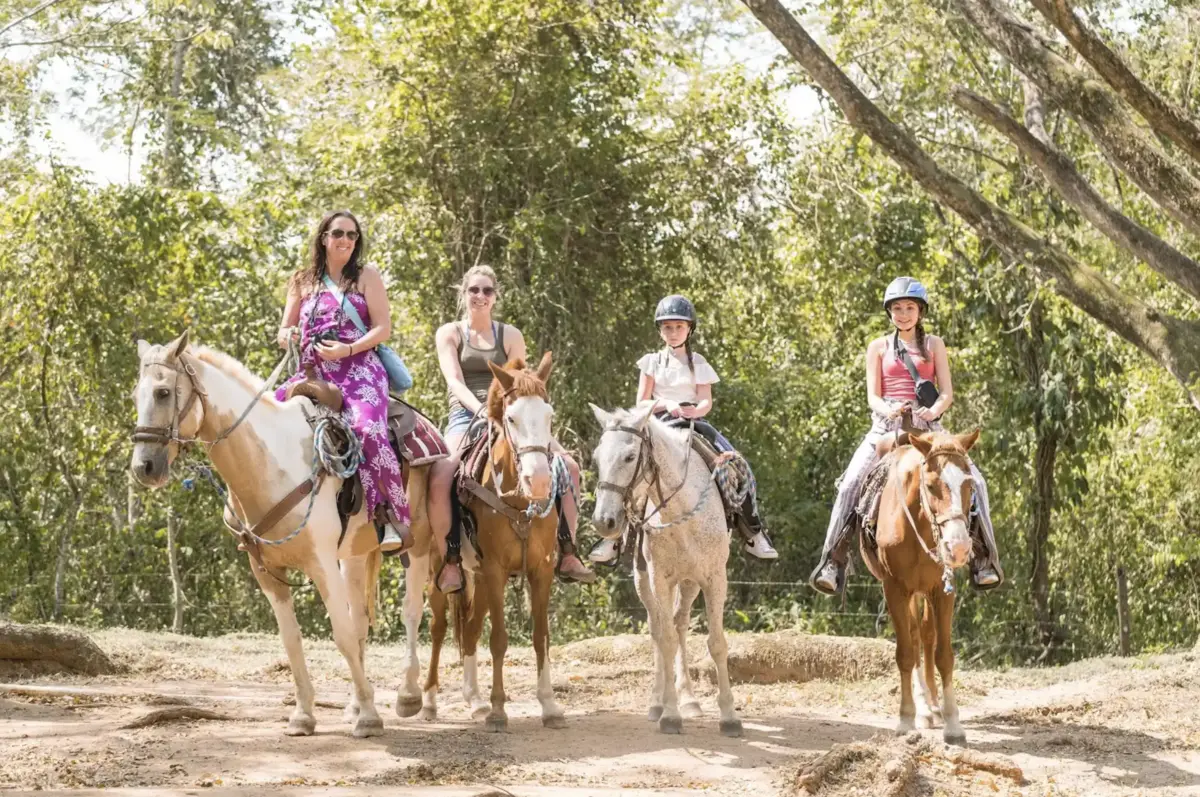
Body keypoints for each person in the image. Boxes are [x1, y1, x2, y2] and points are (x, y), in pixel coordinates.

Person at [809, 276, 1003, 595]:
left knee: (976, 482)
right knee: (849, 485)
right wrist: (889, 409)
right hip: (886, 428)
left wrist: (932, 411)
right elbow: (873, 395)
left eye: (909, 307)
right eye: (897, 308)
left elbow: (947, 393)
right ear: (889, 312)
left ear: (920, 311)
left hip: (929, 429)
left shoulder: (934, 345)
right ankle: (832, 560)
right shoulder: (878, 347)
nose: (903, 314)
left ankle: (984, 559)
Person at [427, 265, 595, 592]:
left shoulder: (511, 335)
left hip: (513, 417)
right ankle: (450, 559)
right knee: (441, 476)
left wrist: (506, 417)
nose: (480, 296)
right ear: (464, 294)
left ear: (495, 297)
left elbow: (522, 384)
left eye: (487, 291)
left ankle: (567, 550)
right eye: (474, 290)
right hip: (467, 416)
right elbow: (454, 382)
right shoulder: (450, 333)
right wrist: (482, 411)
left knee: (570, 468)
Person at [589, 294, 778, 564]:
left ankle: (753, 533)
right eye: (667, 327)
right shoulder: (651, 361)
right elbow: (642, 401)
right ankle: (612, 540)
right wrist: (666, 403)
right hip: (656, 424)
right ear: (660, 330)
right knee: (628, 469)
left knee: (733, 464)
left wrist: (694, 410)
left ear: (689, 329)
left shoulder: (698, 362)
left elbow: (706, 400)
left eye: (679, 326)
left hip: (692, 423)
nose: (673, 332)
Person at [275, 210, 410, 554]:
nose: (346, 241)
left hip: (361, 368)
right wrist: (288, 334)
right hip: (312, 371)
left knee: (367, 429)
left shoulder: (367, 276)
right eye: (338, 233)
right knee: (268, 416)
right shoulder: (301, 281)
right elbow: (283, 329)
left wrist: (348, 348)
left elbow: (383, 328)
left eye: (352, 235)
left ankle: (388, 517)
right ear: (323, 237)